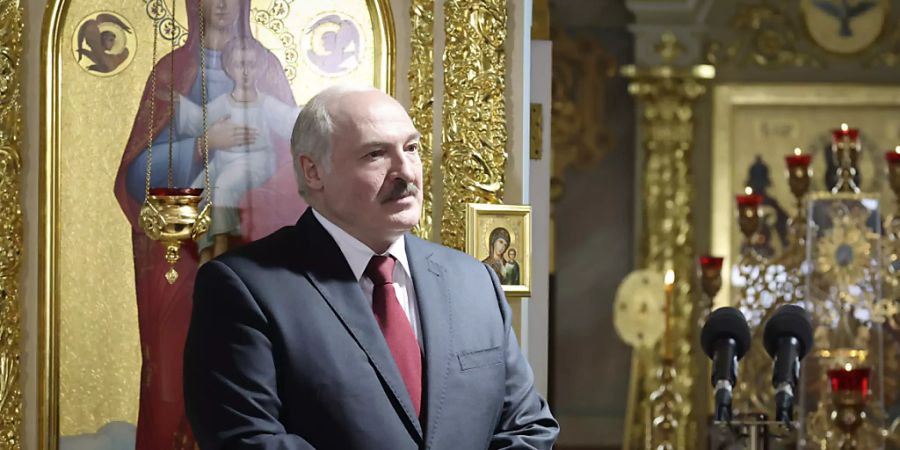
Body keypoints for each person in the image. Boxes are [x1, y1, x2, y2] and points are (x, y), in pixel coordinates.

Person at [183, 84, 559, 449]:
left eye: (411, 148)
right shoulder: (242, 287)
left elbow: (527, 427)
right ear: (313, 171)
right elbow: (247, 438)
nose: (406, 172)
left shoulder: (474, 280)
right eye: (375, 154)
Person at [113, 0, 305, 448]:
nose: (221, 4)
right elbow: (137, 176)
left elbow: (300, 163)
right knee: (175, 359)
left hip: (251, 248)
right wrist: (201, 144)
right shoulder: (171, 71)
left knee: (250, 363)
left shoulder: (267, 70)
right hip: (179, 252)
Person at [176, 36, 301, 259]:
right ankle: (206, 250)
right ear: (228, 68)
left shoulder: (265, 103)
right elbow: (198, 121)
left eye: (251, 65)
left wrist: (307, 113)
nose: (245, 72)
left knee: (224, 185)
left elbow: (288, 120)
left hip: (255, 161)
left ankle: (221, 244)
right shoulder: (224, 102)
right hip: (224, 160)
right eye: (239, 65)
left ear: (260, 68)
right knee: (198, 191)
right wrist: (178, 104)